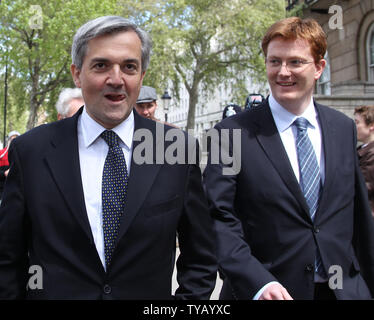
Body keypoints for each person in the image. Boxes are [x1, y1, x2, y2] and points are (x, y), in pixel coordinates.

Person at [0, 16, 217, 299]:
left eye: (129, 67)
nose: (116, 79)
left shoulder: (174, 149)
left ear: (142, 75)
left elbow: (200, 257)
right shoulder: (31, 151)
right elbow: (8, 258)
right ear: (77, 74)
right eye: (101, 65)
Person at [203, 17, 374, 300]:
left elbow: (356, 216)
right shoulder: (231, 134)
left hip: (343, 289)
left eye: (295, 62)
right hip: (265, 290)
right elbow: (217, 218)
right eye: (274, 62)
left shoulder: (342, 128)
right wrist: (257, 282)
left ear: (319, 67)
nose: (283, 72)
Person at [354, 105, 374, 215]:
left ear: (371, 126)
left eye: (357, 122)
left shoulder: (372, 154)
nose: (354, 126)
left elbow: (361, 188)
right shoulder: (362, 150)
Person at [0, 131, 20, 200]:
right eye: (12, 139)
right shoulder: (1, 154)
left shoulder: (22, 154)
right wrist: (4, 173)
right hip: (2, 189)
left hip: (16, 191)